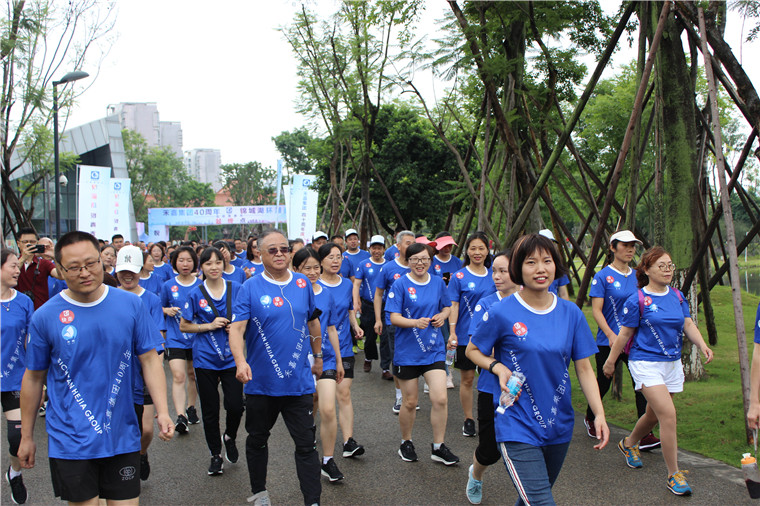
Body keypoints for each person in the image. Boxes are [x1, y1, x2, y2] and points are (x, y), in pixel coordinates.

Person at [18, 231, 174, 505]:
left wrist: (163, 411)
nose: (85, 272)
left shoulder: (131, 305)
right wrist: (27, 436)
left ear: (102, 261)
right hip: (70, 438)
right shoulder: (44, 317)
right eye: (74, 267)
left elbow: (150, 359)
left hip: (122, 433)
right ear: (60, 270)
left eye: (91, 263)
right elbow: (33, 378)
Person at [468, 233, 609, 505]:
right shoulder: (502, 312)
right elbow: (472, 350)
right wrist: (497, 367)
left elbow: (584, 369)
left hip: (558, 422)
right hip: (516, 421)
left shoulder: (571, 313)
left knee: (531, 499)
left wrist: (599, 414)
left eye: (547, 261)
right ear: (518, 268)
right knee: (541, 501)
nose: (541, 269)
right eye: (531, 262)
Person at [603, 246, 713, 496]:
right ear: (647, 270)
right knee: (668, 415)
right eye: (661, 266)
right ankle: (674, 474)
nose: (667, 270)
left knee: (653, 415)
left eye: (670, 265)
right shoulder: (638, 300)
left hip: (671, 363)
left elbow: (687, 324)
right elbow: (624, 335)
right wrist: (610, 362)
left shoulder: (677, 296)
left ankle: (629, 443)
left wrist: (702, 345)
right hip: (645, 363)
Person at [229, 230, 324, 506]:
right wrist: (240, 361)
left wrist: (318, 355)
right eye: (272, 250)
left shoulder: (303, 283)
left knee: (306, 445)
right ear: (259, 253)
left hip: (298, 383)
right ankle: (260, 493)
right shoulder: (250, 287)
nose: (280, 254)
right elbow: (236, 329)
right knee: (257, 440)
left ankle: (313, 501)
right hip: (262, 383)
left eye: (284, 249)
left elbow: (313, 321)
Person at [585, 231, 659, 450]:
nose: (630, 250)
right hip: (608, 341)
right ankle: (591, 417)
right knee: (604, 381)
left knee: (641, 384)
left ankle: (645, 434)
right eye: (625, 245)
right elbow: (596, 311)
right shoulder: (602, 277)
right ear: (612, 247)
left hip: (635, 342)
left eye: (633, 246)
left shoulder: (638, 276)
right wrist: (610, 334)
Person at [385, 242, 458, 465]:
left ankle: (438, 446)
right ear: (408, 261)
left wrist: (443, 316)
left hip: (434, 350)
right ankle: (406, 442)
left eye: (425, 259)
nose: (420, 263)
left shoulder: (437, 282)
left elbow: (447, 306)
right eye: (415, 259)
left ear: (430, 261)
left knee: (440, 398)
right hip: (407, 353)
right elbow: (393, 317)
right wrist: (415, 322)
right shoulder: (400, 284)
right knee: (410, 402)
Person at [180, 247, 244, 477]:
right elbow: (184, 325)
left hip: (232, 357)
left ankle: (230, 436)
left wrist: (236, 326)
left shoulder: (237, 289)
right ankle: (215, 455)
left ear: (224, 264)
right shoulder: (195, 293)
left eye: (218, 262)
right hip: (205, 359)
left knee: (236, 405)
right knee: (210, 410)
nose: (214, 267)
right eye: (208, 263)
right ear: (202, 267)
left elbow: (248, 318)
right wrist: (209, 325)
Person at [464, 249, 518, 504]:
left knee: (528, 443)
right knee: (489, 450)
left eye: (503, 271)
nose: (496, 276)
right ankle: (476, 474)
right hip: (491, 386)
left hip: (524, 385)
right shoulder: (486, 304)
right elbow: (477, 346)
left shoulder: (532, 301)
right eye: (494, 271)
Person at [292, 248, 345, 483]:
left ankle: (328, 459)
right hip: (299, 358)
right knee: (310, 403)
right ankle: (309, 436)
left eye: (316, 267)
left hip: (327, 357)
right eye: (307, 268)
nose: (313, 272)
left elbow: (331, 328)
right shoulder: (289, 293)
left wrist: (339, 359)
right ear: (296, 269)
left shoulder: (326, 294)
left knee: (328, 408)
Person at [115, 245, 166, 482]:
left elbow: (158, 339)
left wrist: (155, 370)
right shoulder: (107, 297)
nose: (127, 276)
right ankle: (123, 470)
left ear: (140, 270)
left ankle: (142, 453)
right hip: (117, 373)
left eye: (132, 271)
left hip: (143, 370)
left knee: (145, 430)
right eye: (123, 271)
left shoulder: (151, 300)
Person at [317, 243, 366, 460]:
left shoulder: (346, 284)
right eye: (330, 257)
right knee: (315, 397)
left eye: (338, 257)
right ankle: (309, 428)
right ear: (321, 261)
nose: (335, 261)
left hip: (343, 346)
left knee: (343, 392)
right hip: (319, 349)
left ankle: (348, 441)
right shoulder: (312, 285)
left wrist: (355, 326)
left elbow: (349, 310)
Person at [447, 231, 496, 438]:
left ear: (487, 251)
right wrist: (452, 332)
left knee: (491, 377)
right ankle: (469, 418)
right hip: (465, 336)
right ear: (467, 251)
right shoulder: (459, 276)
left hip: (491, 336)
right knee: (467, 379)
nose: (477, 252)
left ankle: (493, 416)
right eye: (473, 248)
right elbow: (454, 305)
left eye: (481, 248)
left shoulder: (495, 275)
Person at [1, 249, 33, 504]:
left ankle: (15, 472)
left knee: (16, 437)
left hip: (14, 377)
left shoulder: (24, 302)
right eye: (12, 266)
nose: (17, 270)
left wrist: (36, 379)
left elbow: (30, 343)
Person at [160, 245, 202, 433]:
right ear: (174, 263)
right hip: (175, 338)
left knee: (192, 375)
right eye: (181, 260)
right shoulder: (168, 286)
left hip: (196, 338)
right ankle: (180, 416)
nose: (185, 264)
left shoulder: (201, 285)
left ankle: (191, 407)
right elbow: (158, 308)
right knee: (178, 376)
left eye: (189, 260)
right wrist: (166, 310)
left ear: (195, 263)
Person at [373, 230, 415, 409]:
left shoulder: (419, 266)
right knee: (398, 358)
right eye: (408, 243)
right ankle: (399, 396)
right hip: (394, 322)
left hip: (416, 322)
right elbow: (378, 294)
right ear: (398, 246)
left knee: (413, 359)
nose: (411, 246)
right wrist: (378, 319)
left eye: (414, 243)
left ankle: (411, 396)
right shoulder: (388, 268)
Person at [353, 235, 386, 373]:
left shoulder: (388, 265)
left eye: (379, 248)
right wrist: (356, 301)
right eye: (374, 248)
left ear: (384, 249)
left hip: (386, 306)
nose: (376, 251)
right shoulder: (364, 264)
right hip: (368, 305)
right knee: (371, 335)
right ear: (370, 249)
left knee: (385, 336)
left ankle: (385, 367)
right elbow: (356, 284)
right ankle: (368, 358)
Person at [16, 227, 62, 310]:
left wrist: (55, 257)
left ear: (37, 243)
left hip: (40, 310)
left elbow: (60, 276)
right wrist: (23, 258)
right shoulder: (12, 262)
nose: (29, 244)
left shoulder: (44, 263)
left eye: (32, 242)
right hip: (18, 309)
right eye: (25, 242)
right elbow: (7, 276)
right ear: (18, 244)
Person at [538, 230, 570, 300]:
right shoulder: (531, 268)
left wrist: (565, 306)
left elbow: (563, 294)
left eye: (552, 242)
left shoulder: (558, 267)